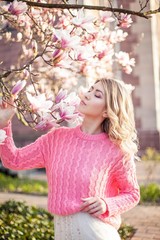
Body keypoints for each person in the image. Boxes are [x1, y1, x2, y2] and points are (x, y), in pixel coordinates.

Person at [0, 78, 140, 240]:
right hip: (62, 232)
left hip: (96, 232)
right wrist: (4, 123)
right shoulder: (57, 138)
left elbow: (132, 193)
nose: (87, 95)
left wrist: (107, 204)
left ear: (107, 111)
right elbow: (14, 160)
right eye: (90, 90)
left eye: (97, 95)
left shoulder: (116, 150)